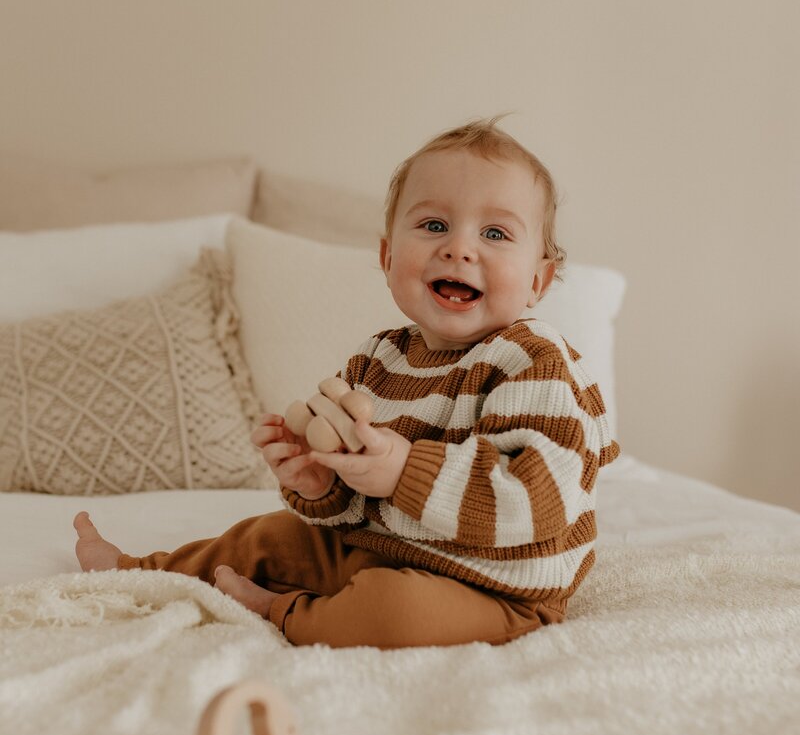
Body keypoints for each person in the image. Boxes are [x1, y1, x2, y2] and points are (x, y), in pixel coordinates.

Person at [74, 116, 620, 649]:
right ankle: (141, 574)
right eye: (433, 225)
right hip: (386, 547)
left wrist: (404, 469)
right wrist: (320, 484)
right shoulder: (380, 357)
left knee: (391, 609)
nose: (459, 248)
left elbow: (533, 502)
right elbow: (357, 503)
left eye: (495, 233)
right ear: (387, 257)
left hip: (497, 585)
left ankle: (282, 611)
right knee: (268, 536)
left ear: (537, 280)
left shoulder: (533, 361)